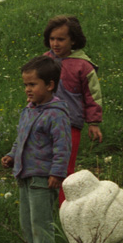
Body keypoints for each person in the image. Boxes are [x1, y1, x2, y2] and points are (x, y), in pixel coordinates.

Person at [0, 56, 71, 243]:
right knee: (27, 220)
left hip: (42, 175)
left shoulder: (56, 114)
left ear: (49, 85)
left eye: (32, 84)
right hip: (25, 173)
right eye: (25, 85)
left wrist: (57, 173)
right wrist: (12, 155)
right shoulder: (29, 110)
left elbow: (62, 147)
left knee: (41, 219)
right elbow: (21, 138)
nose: (27, 90)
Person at [42, 14, 103, 205]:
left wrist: (93, 123)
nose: (55, 44)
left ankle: (66, 208)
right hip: (45, 122)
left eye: (61, 39)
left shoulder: (83, 66)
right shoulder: (44, 61)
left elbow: (93, 95)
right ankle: (46, 203)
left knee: (64, 167)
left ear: (73, 40)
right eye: (52, 39)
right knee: (44, 164)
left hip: (70, 124)